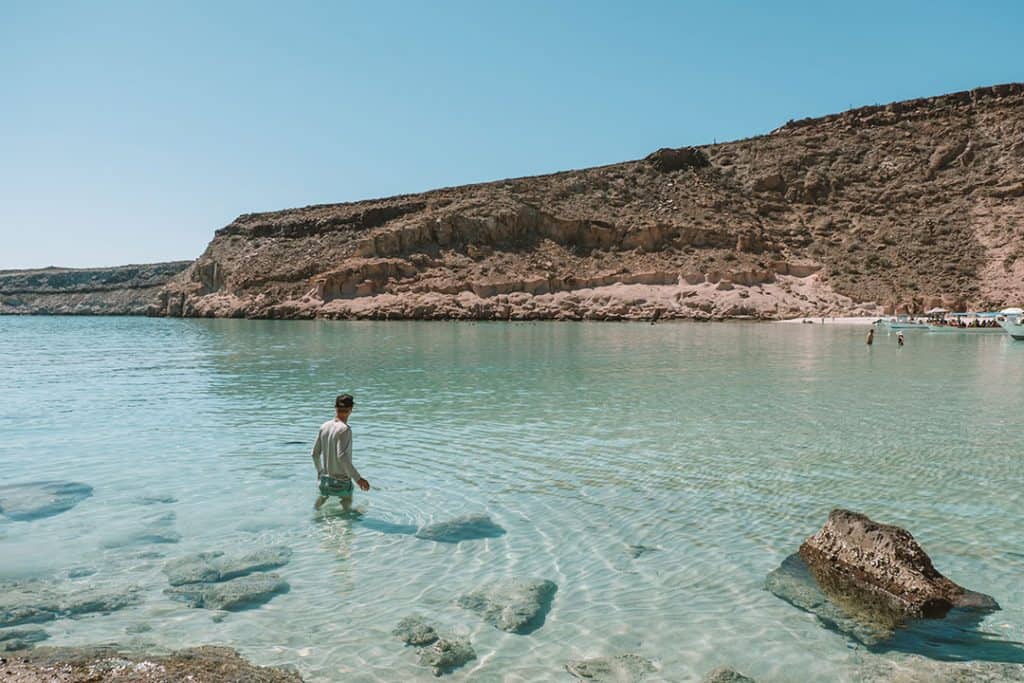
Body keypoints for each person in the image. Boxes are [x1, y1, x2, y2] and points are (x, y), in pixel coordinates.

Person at [312, 393, 370, 511]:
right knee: (346, 512)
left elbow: (314, 454)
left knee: (318, 507)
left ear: (335, 408)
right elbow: (342, 456)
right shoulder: (345, 429)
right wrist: (358, 479)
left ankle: (314, 522)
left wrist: (320, 472)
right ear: (351, 409)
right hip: (342, 482)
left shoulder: (324, 426)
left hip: (325, 480)